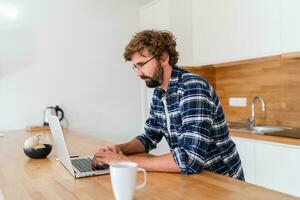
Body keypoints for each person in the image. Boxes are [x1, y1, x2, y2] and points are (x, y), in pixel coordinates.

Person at [92, 30, 245, 180]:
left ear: (164, 58)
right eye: (135, 67)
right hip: (194, 179)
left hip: (222, 181)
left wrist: (124, 162)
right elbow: (149, 137)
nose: (138, 73)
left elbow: (188, 159)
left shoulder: (192, 87)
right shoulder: (159, 93)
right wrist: (120, 150)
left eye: (142, 64)